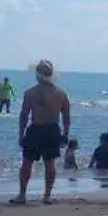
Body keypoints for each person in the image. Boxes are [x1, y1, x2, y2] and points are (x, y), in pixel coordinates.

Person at [12, 60, 71, 205]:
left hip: (36, 128)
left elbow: (24, 115)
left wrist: (21, 134)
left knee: (27, 163)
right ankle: (47, 195)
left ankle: (22, 195)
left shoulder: (30, 93)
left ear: (37, 75)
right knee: (49, 164)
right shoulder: (61, 94)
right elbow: (66, 117)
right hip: (52, 129)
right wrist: (66, 134)